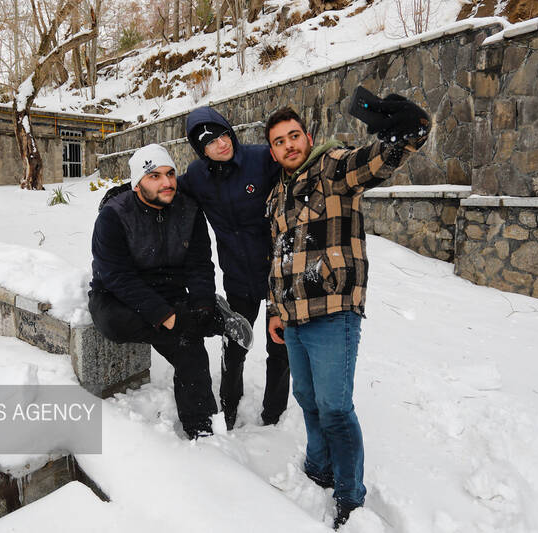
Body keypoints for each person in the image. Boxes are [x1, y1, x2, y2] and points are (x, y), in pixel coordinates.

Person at [264, 102, 428, 528]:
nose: (288, 145)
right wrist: (274, 312)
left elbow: (370, 163)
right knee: (307, 400)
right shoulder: (276, 195)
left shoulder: (332, 170)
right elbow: (279, 258)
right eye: (279, 142)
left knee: (335, 407)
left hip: (334, 311)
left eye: (293, 136)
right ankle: (318, 467)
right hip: (293, 317)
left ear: (309, 138)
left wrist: (403, 137)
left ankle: (350, 495)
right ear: (273, 152)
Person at [89, 143, 253, 439]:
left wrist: (202, 303)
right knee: (114, 324)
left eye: (170, 174)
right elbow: (117, 276)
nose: (167, 182)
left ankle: (202, 431)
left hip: (170, 291)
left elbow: (200, 265)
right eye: (155, 176)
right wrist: (166, 316)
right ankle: (213, 320)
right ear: (137, 185)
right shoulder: (114, 216)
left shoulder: (189, 210)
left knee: (190, 349)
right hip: (118, 294)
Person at [178, 106, 289, 431]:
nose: (221, 144)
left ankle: (273, 413)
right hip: (238, 278)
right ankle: (228, 404)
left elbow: (298, 168)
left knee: (280, 347)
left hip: (277, 275)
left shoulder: (261, 159)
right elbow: (168, 190)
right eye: (210, 142)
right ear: (201, 149)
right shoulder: (197, 176)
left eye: (223, 134)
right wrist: (127, 195)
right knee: (235, 343)